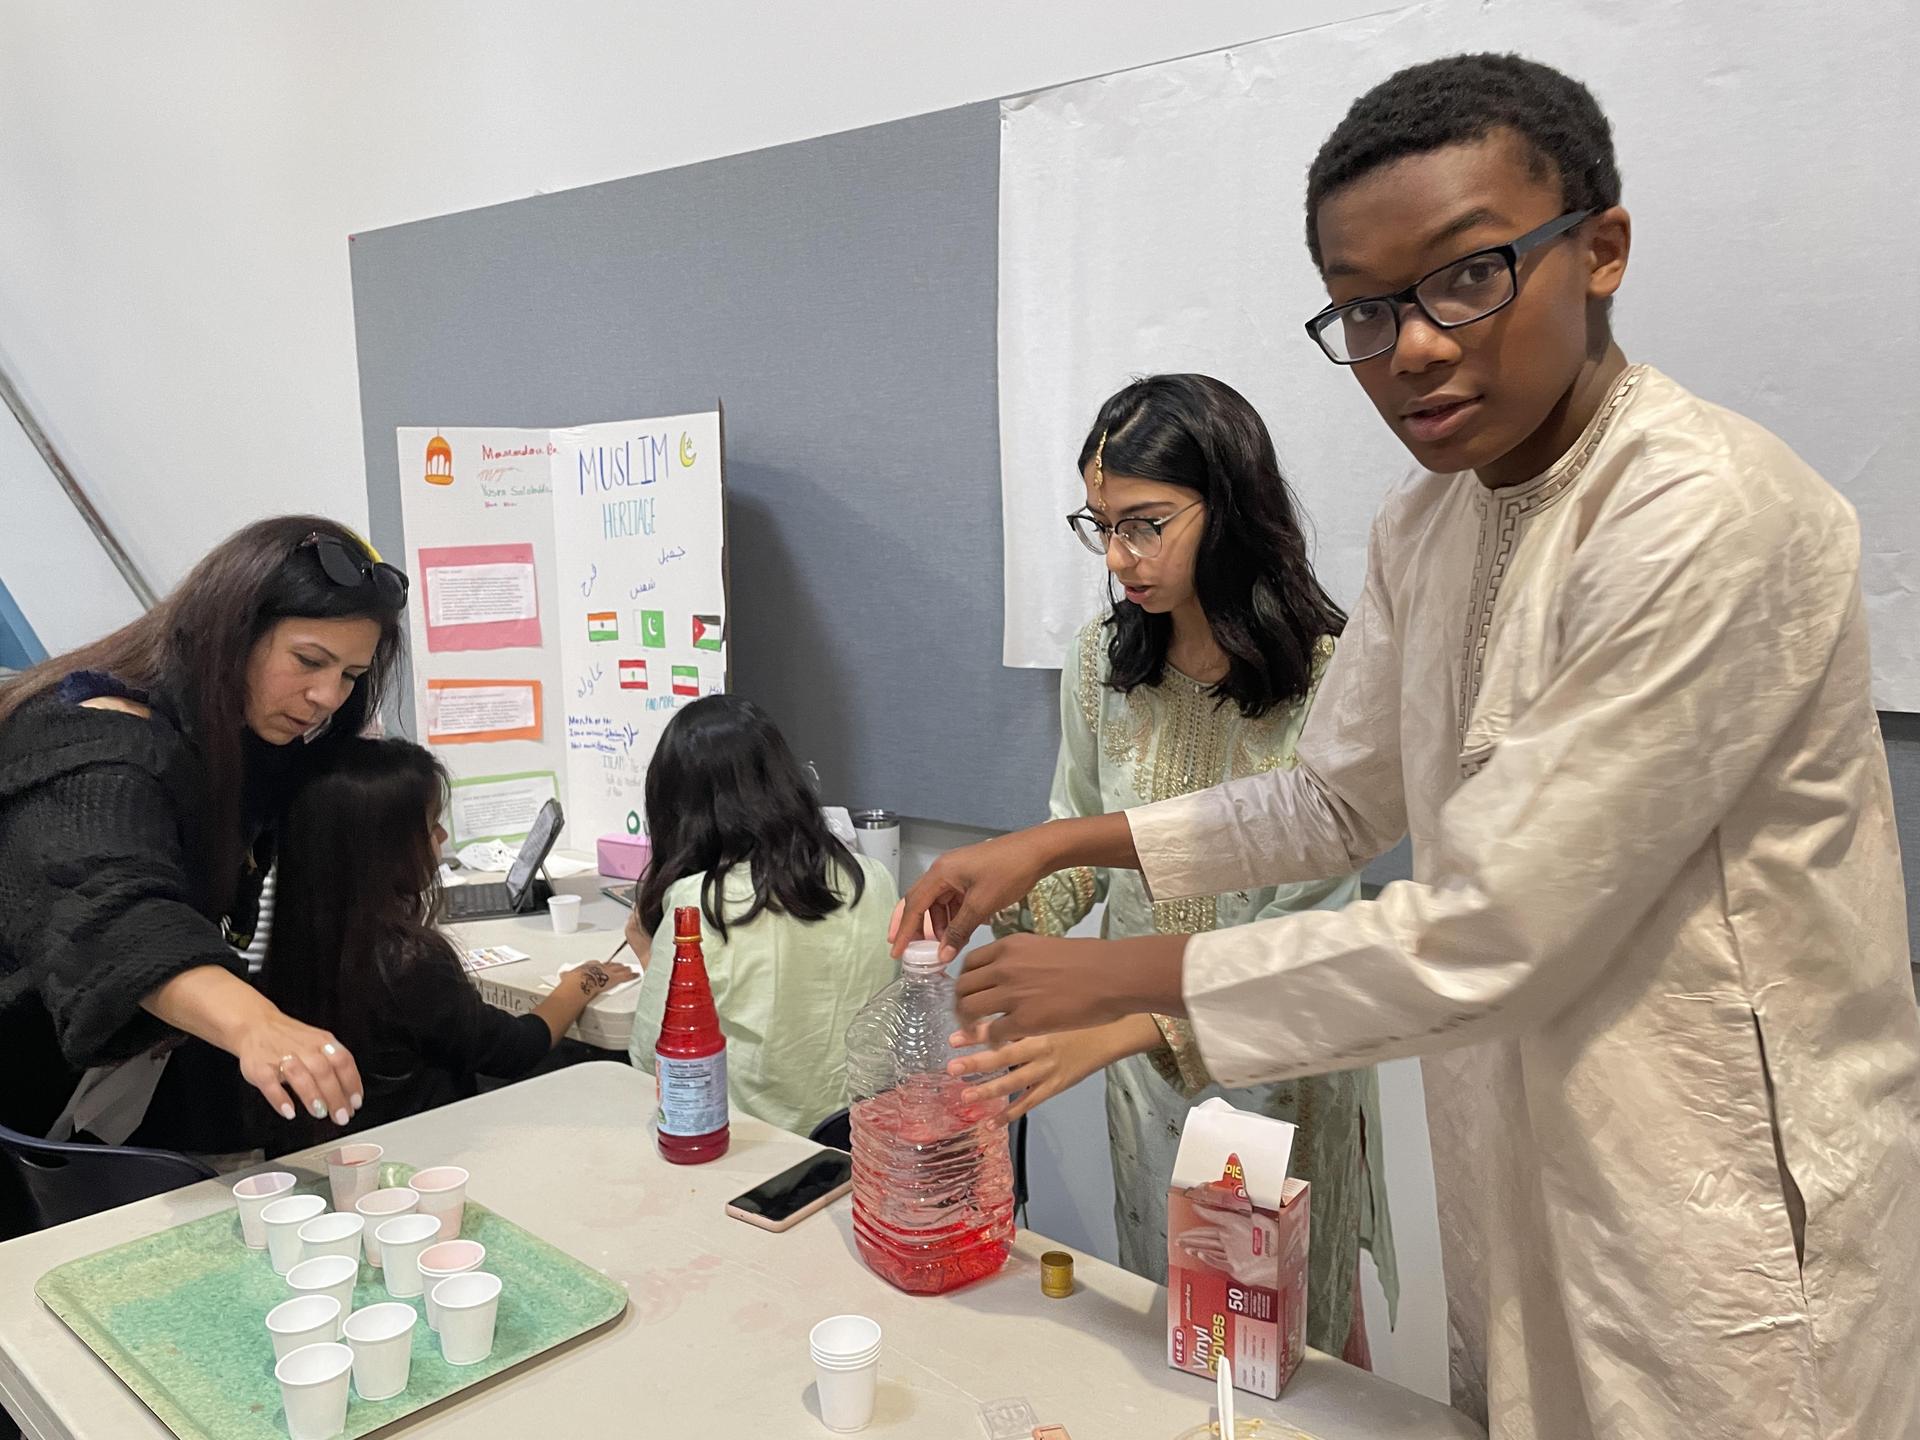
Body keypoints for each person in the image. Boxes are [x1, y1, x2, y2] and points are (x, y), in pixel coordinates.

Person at [896, 54, 1920, 1440]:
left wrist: (1123, 977)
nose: (1416, 345)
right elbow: (1332, 798)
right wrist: (1073, 840)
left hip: (1715, 1175)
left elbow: (1492, 925)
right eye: (1367, 310)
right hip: (1513, 1144)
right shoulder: (1425, 530)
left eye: (1469, 276)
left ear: (1600, 250)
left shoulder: (1703, 513)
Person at [967, 373, 1394, 1362]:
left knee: (1287, 1355)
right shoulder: (1103, 666)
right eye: (1100, 526)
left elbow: (1303, 934)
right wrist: (1000, 901)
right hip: (1143, 1086)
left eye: (1146, 524)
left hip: (1276, 1077)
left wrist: (1120, 1023)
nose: (1119, 560)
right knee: (1183, 1341)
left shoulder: (1327, 678)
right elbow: (1077, 834)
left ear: (1232, 506)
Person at [0, 516, 407, 1162]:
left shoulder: (246, 742)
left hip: (124, 1089)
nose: (326, 696)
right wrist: (257, 1025)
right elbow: (117, 912)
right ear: (232, 633)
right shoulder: (93, 741)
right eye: (309, 661)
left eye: (351, 675)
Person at [258, 738, 635, 1138]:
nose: (440, 836)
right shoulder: (407, 964)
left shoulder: (292, 940)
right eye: (431, 824)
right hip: (422, 1147)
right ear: (385, 846)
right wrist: (581, 982)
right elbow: (518, 1048)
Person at [626, 695, 897, 1137]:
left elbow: (652, 1061)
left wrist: (646, 952)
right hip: (859, 1146)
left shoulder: (700, 903)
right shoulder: (874, 879)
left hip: (749, 1152)